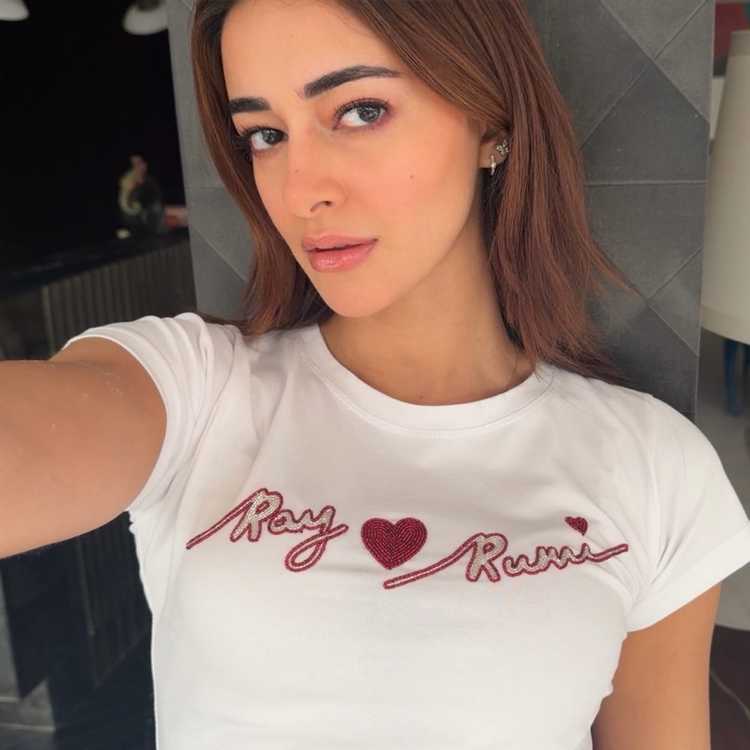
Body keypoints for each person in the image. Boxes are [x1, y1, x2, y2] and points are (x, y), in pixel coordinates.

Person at [2, 1, 750, 748]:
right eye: (265, 135)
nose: (301, 191)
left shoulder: (654, 464)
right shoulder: (196, 387)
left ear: (491, 123)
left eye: (361, 111)